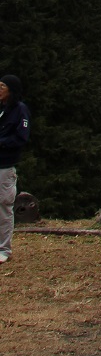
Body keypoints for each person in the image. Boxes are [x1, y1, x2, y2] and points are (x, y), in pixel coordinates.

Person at [0, 74, 30, 262]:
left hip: (5, 165)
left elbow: (21, 137)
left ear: (11, 90)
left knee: (3, 206)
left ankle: (4, 249)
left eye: (2, 86)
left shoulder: (20, 110)